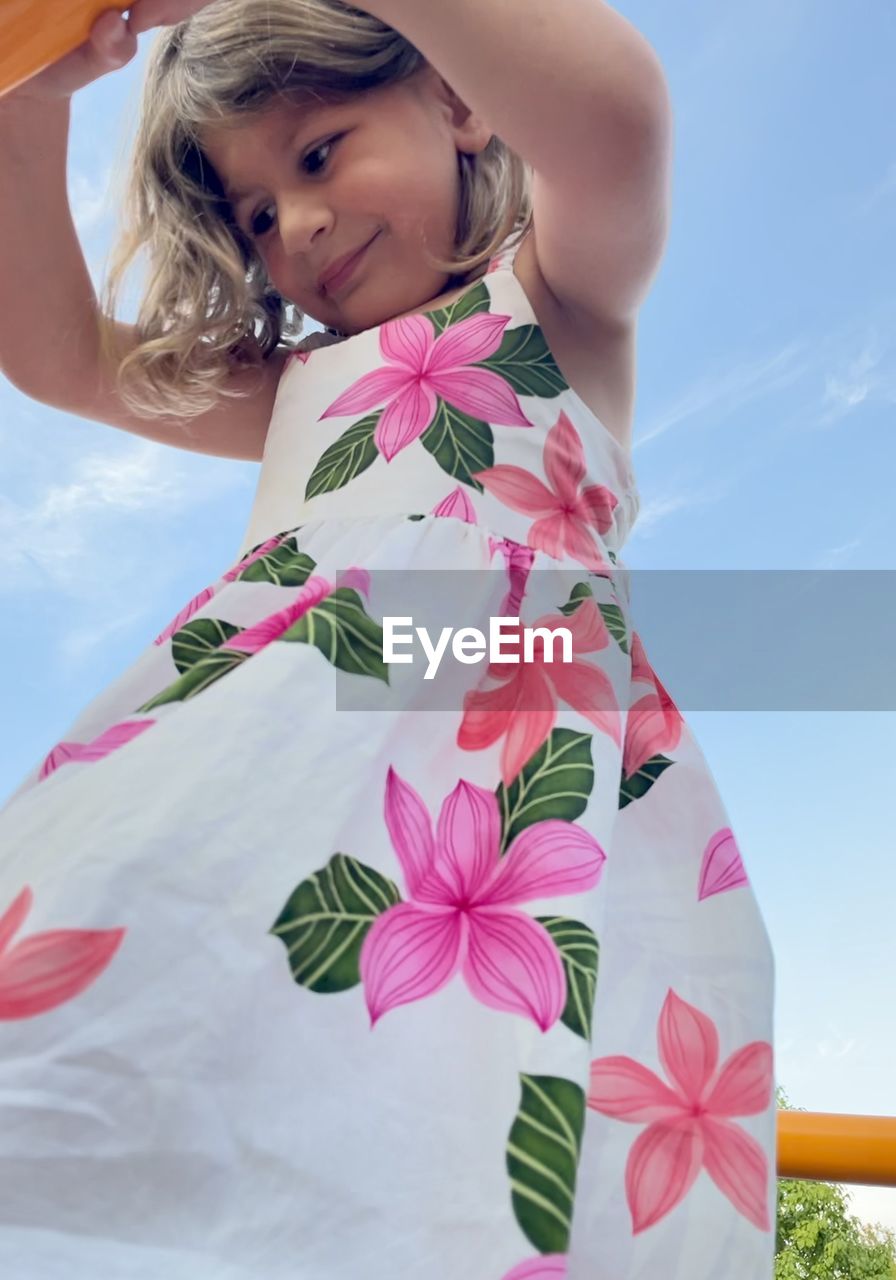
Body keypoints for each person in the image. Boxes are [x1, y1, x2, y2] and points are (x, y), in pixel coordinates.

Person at [0, 1, 776, 1276]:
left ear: (461, 106)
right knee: (109, 1017)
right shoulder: (292, 385)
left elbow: (616, 124)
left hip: (530, 814)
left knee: (513, 1134)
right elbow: (61, 356)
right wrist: (28, 106)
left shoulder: (556, 310)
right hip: (275, 759)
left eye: (319, 153)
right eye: (254, 213)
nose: (294, 225)